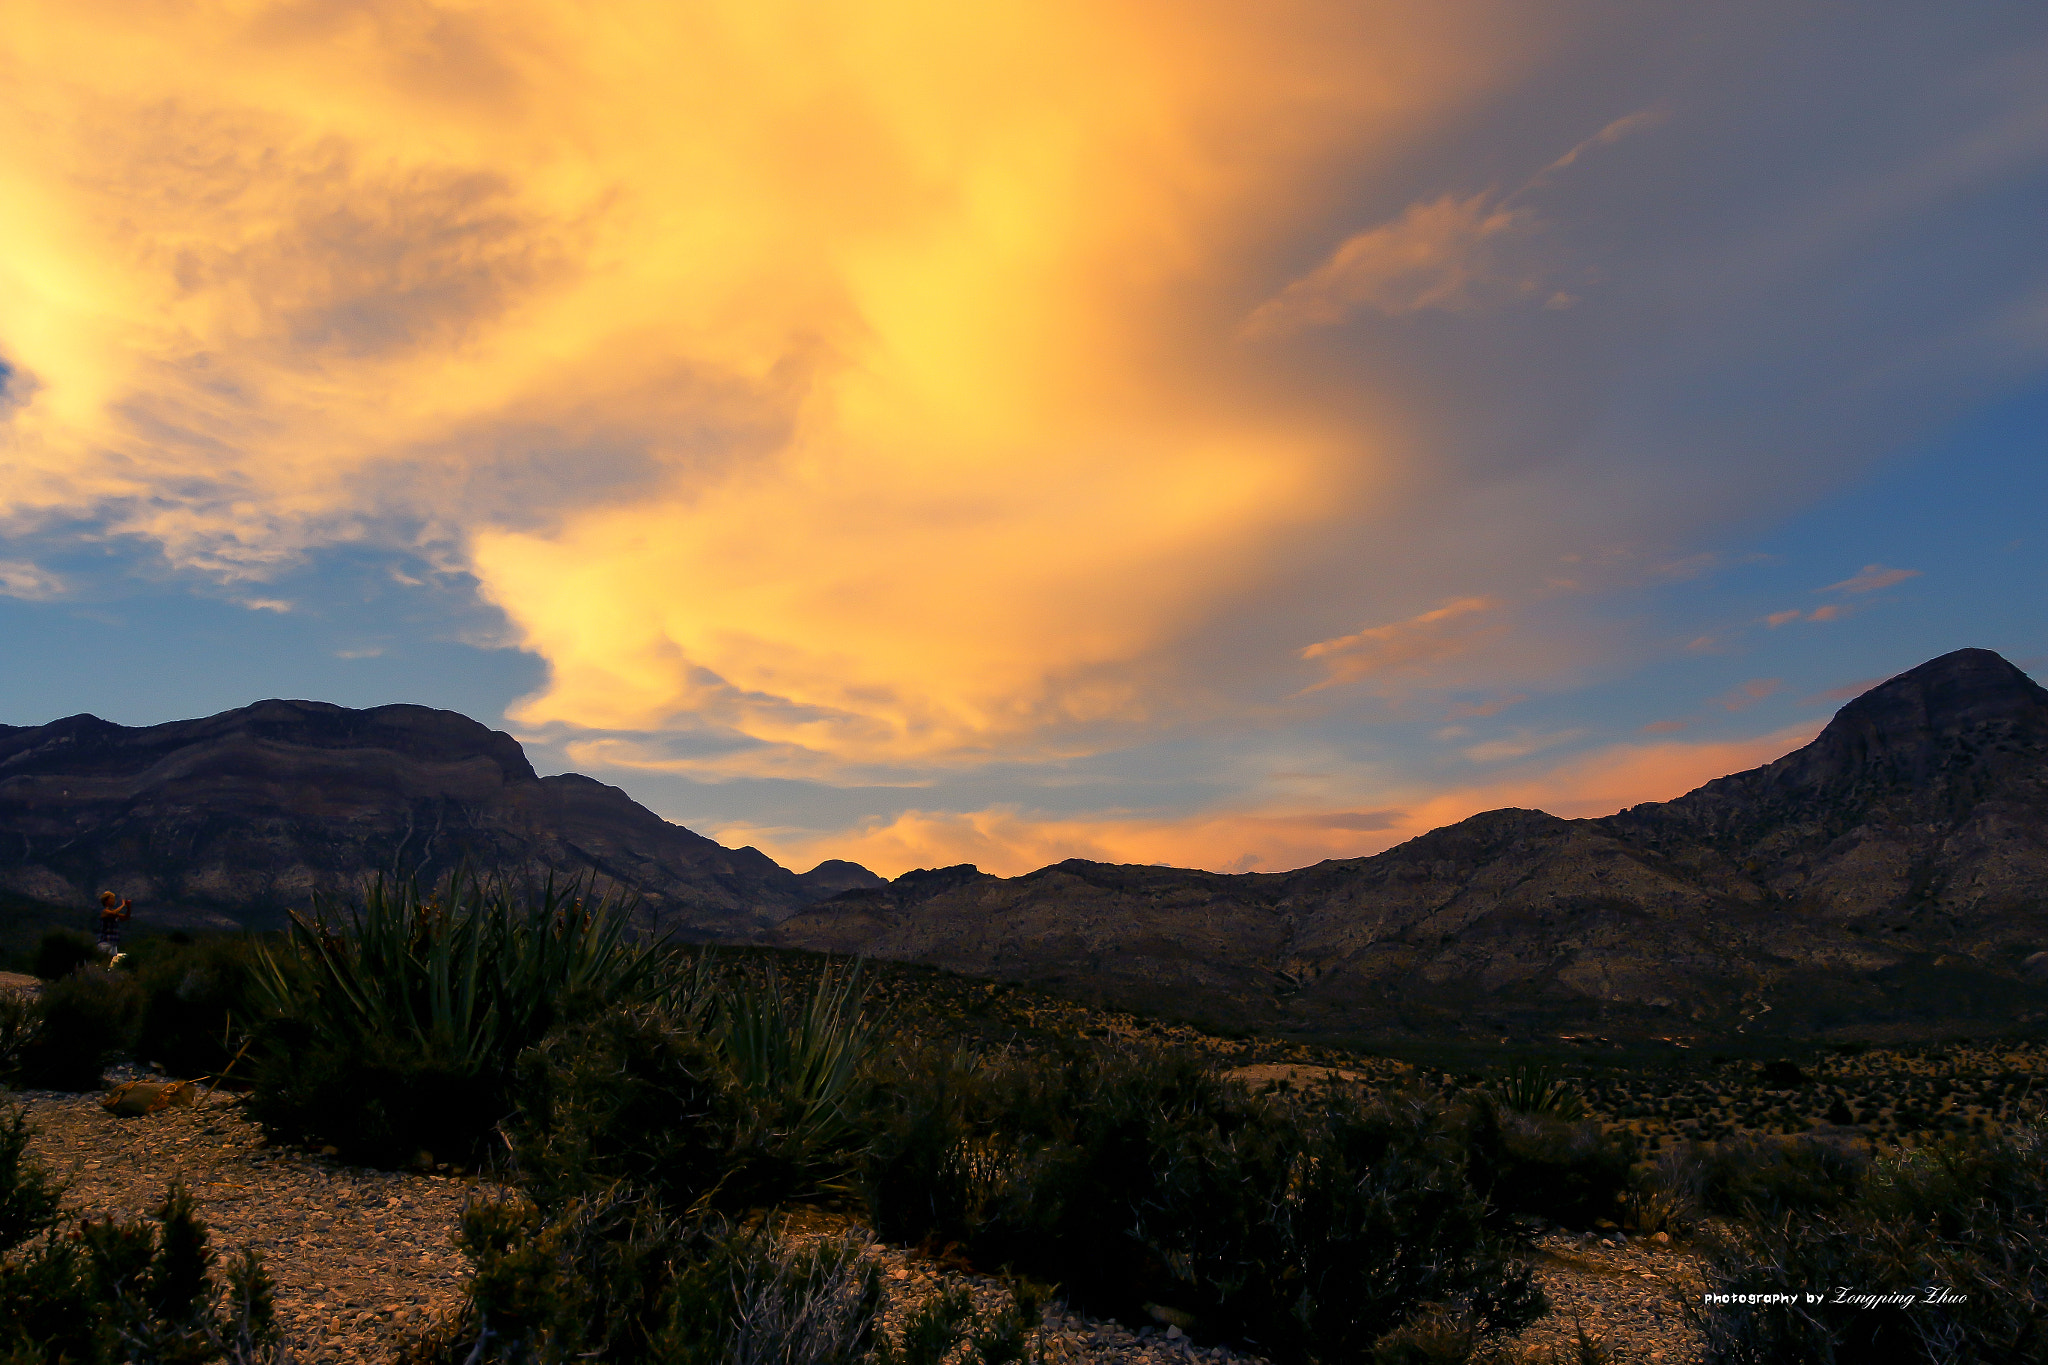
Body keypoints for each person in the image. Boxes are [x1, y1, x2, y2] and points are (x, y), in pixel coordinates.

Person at [96, 891, 132, 961]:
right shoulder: (105, 912)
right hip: (105, 942)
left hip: (113, 942)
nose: (113, 901)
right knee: (103, 961)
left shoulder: (114, 913)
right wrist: (123, 905)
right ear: (106, 901)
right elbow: (113, 913)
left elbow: (126, 917)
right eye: (111, 899)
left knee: (109, 962)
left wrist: (128, 907)